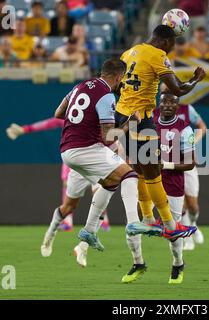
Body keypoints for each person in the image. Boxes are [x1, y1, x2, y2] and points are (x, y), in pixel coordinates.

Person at [41, 59, 163, 270]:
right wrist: (128, 125)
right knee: (130, 175)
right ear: (118, 77)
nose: (122, 83)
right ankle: (134, 222)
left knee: (110, 183)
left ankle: (88, 231)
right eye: (122, 79)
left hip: (67, 150)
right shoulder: (106, 96)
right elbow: (108, 138)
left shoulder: (79, 86)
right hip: (86, 149)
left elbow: (58, 113)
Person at [115, 25, 205, 279]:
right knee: (151, 170)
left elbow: (117, 86)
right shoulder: (157, 55)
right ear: (164, 40)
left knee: (140, 169)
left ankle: (147, 219)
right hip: (141, 118)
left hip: (124, 115)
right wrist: (197, 78)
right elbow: (177, 89)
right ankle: (167, 223)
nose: (172, 48)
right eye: (172, 43)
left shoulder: (129, 52)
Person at [5, 117, 110, 232]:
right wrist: (25, 129)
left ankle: (103, 220)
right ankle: (67, 221)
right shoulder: (69, 117)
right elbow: (49, 123)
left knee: (97, 187)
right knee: (67, 185)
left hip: (91, 154)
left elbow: (108, 132)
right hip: (71, 154)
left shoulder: (93, 117)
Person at [158, 82, 207, 251]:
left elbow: (202, 127)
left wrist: (193, 142)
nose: (165, 91)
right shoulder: (154, 113)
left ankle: (193, 225)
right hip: (166, 166)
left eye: (168, 89)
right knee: (180, 204)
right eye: (162, 90)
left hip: (185, 161)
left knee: (193, 205)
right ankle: (186, 237)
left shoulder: (187, 110)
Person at [153, 93, 195, 284]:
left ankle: (178, 263)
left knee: (172, 231)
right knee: (137, 217)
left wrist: (166, 165)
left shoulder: (184, 129)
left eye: (172, 102)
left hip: (173, 184)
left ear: (178, 106)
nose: (168, 105)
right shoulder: (150, 120)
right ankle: (138, 262)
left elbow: (190, 163)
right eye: (165, 101)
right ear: (159, 103)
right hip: (151, 180)